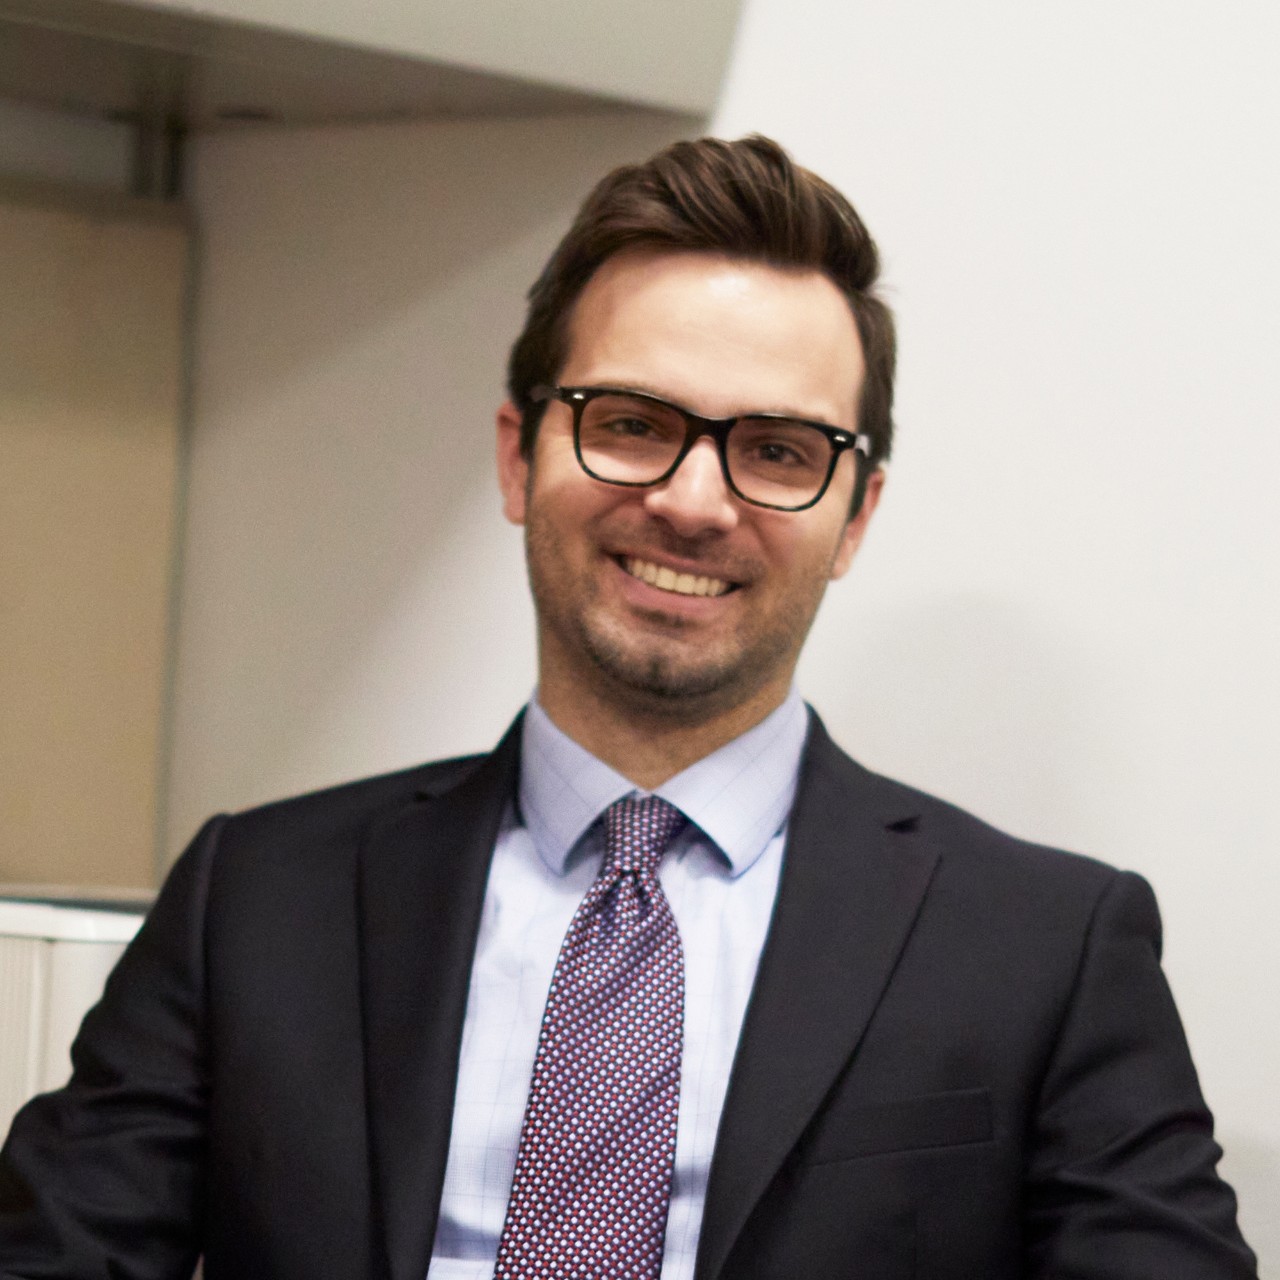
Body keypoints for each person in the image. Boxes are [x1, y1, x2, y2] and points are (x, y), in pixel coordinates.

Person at [0, 135, 1256, 1280]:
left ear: (854, 516)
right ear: (517, 455)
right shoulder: (256, 898)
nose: (692, 502)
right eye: (632, 422)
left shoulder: (1044, 948)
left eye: (777, 450)